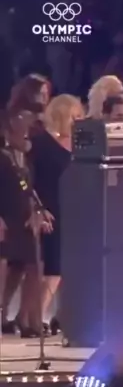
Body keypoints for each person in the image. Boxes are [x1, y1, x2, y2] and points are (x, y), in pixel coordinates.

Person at [30, 94, 83, 336]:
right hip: (51, 211)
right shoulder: (42, 143)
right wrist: (38, 208)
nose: (78, 121)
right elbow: (33, 180)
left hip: (74, 212)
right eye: (74, 116)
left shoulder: (79, 145)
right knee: (54, 268)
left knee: (71, 270)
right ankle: (37, 316)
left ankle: (62, 316)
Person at [0, 110, 50, 338]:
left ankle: (26, 317)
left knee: (30, 265)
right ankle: (2, 315)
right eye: (23, 133)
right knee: (7, 267)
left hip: (24, 217)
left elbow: (29, 189)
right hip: (6, 217)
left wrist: (39, 210)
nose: (27, 138)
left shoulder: (23, 159)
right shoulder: (3, 158)